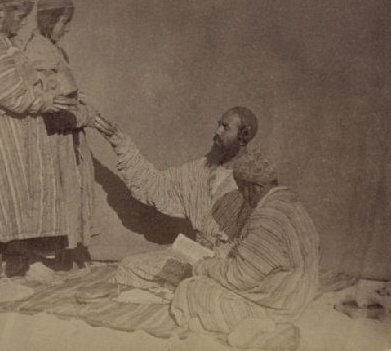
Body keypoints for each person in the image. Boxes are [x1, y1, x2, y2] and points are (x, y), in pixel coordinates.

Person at [0, 0, 89, 301]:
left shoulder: (5, 43)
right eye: (20, 15)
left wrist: (45, 94)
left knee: (13, 201)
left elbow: (28, 83)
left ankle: (15, 269)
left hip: (14, 134)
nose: (24, 23)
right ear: (0, 11)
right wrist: (46, 101)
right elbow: (11, 91)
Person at [94, 106, 258, 289]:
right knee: (128, 267)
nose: (217, 131)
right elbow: (155, 185)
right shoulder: (201, 169)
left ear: (243, 137)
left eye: (225, 127)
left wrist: (216, 257)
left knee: (211, 287)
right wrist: (120, 142)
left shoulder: (254, 178)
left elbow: (255, 236)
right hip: (194, 256)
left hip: (230, 262)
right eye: (218, 125)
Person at [170, 149, 319, 350]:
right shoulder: (291, 205)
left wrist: (204, 267)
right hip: (299, 295)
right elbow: (248, 248)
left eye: (242, 189)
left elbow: (241, 277)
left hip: (281, 304)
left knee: (192, 288)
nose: (241, 196)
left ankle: (267, 329)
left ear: (256, 186)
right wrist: (218, 256)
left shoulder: (267, 216)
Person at [24, 0, 97, 270]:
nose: (68, 28)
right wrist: (80, 115)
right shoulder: (36, 52)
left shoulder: (55, 50)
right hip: (52, 134)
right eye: (64, 22)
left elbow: (69, 92)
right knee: (55, 191)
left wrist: (81, 107)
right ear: (49, 19)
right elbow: (45, 101)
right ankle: (39, 257)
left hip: (68, 134)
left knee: (72, 191)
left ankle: (69, 251)